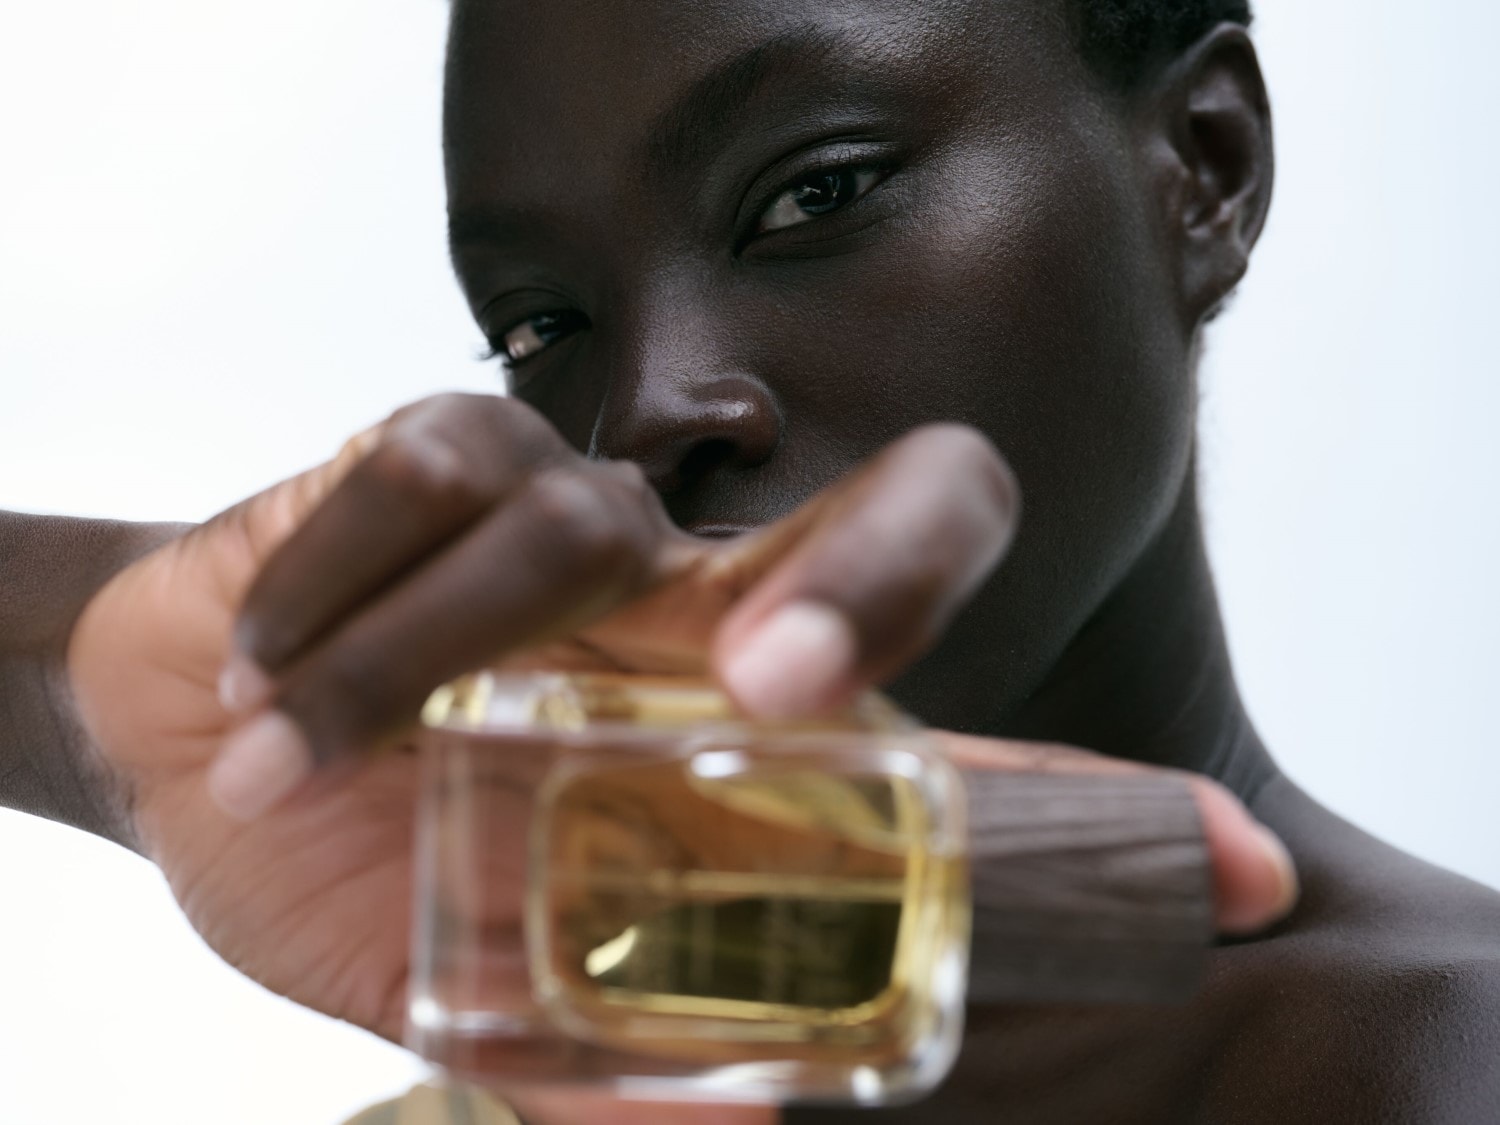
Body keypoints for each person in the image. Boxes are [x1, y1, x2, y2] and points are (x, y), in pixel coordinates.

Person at [2, 0, 1496, 1121]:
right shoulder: (527, 1036)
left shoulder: (1446, 1057)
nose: (647, 407)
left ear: (1206, 169)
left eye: (816, 191)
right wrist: (96, 690)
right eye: (540, 324)